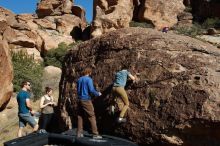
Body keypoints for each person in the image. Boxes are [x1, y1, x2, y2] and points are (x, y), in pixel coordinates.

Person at [76, 67, 102, 139]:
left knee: (80, 116)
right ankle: (95, 134)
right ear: (89, 72)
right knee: (92, 116)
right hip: (86, 100)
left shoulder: (79, 79)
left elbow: (78, 91)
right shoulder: (89, 79)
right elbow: (91, 90)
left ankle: (79, 133)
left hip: (79, 99)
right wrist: (98, 94)